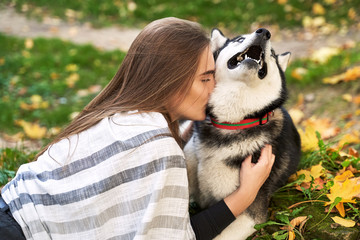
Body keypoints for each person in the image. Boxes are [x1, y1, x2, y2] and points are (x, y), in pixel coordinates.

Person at [0, 17, 275, 240]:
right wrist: (246, 195)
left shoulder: (121, 112)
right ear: (170, 81)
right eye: (205, 78)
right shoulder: (159, 147)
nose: (214, 87)